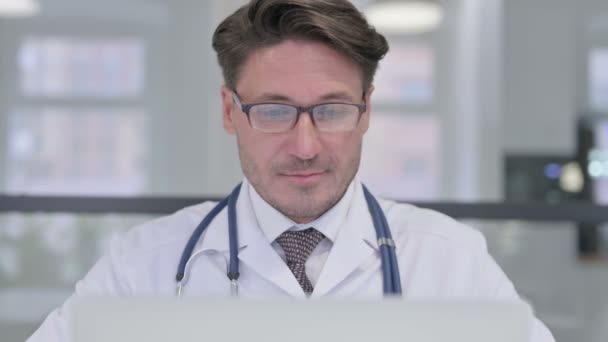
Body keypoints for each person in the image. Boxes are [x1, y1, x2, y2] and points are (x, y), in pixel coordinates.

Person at [28, 0, 555, 341]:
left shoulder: (452, 263)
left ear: (367, 111)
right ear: (230, 111)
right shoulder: (141, 267)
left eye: (331, 110)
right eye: (275, 111)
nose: (305, 146)